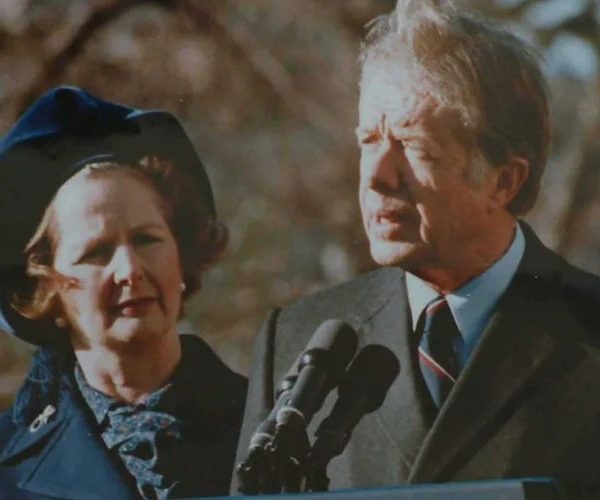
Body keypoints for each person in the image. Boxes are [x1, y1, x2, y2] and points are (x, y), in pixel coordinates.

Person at [234, 0, 600, 496]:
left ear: (504, 181)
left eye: (414, 148)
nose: (377, 177)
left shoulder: (587, 331)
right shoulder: (298, 339)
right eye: (368, 141)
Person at [0, 86, 247, 499]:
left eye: (147, 240)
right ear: (47, 287)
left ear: (183, 255)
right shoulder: (7, 469)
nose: (130, 270)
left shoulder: (271, 422)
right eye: (95, 252)